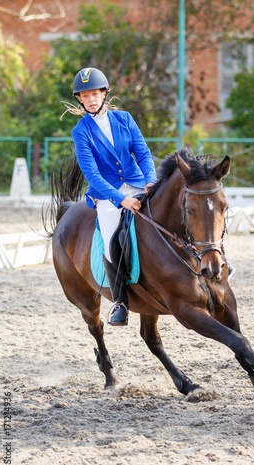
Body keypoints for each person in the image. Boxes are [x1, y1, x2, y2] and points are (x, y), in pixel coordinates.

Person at [70, 67, 157, 326]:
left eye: (95, 94)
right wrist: (121, 200)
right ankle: (120, 302)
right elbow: (93, 175)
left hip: (138, 183)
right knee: (111, 238)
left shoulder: (125, 119)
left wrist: (151, 180)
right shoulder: (81, 131)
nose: (91, 100)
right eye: (85, 96)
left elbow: (142, 153)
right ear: (80, 100)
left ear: (105, 94)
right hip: (106, 195)